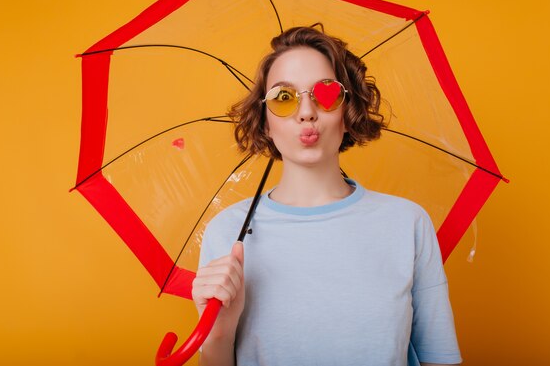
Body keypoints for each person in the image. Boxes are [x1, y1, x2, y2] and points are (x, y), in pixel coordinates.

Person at [192, 25, 462, 366]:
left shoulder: (407, 223)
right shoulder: (227, 233)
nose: (307, 112)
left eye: (326, 93)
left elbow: (440, 359)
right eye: (283, 98)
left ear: (348, 114)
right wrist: (219, 332)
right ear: (264, 123)